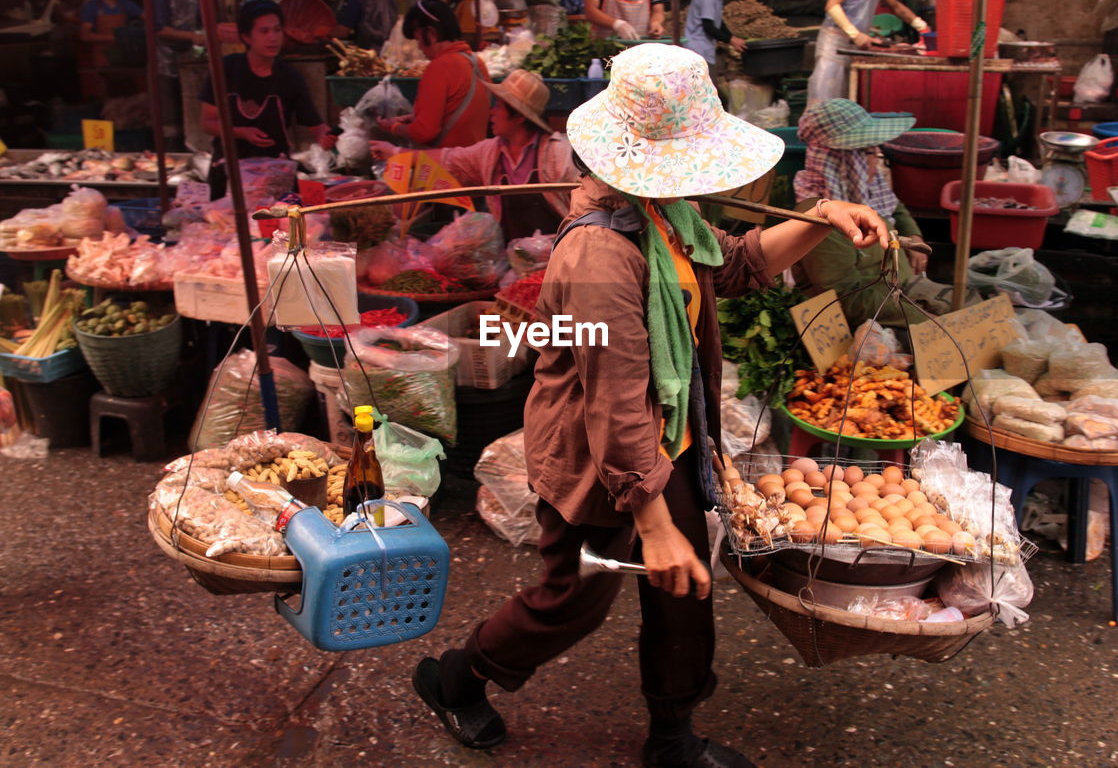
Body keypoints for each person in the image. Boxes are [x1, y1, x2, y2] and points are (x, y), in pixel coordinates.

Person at [410, 44, 889, 767]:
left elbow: (734, 263)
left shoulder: (667, 218)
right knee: (571, 600)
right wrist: (652, 518)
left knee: (682, 595)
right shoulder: (600, 258)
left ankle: (672, 739)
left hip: (665, 440)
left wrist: (819, 216)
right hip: (599, 457)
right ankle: (457, 676)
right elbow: (616, 401)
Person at [371, 69, 572, 241]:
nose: (492, 112)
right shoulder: (491, 152)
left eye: (499, 106)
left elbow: (586, 210)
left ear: (519, 116)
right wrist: (395, 153)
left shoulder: (558, 155)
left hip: (559, 260)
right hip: (514, 257)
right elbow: (449, 159)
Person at [790, 99, 929, 328]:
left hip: (903, 294)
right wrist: (920, 314)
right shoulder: (819, 218)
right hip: (875, 323)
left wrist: (914, 237)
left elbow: (895, 208)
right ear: (847, 161)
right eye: (870, 152)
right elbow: (847, 299)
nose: (877, 160)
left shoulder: (865, 188)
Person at [199, 0, 335, 200]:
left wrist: (326, 136)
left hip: (275, 173)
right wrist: (241, 132)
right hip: (229, 173)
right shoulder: (226, 69)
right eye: (264, 31)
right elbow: (207, 123)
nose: (273, 38)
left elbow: (316, 126)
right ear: (247, 37)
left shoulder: (290, 77)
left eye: (277, 30)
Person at [807, 0, 931, 106]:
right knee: (822, 98)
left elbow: (897, 7)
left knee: (845, 101)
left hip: (856, 49)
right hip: (834, 43)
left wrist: (922, 26)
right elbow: (832, 6)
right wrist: (855, 34)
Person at [375, 0, 490, 149]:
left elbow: (425, 133)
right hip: (476, 159)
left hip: (446, 166)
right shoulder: (477, 63)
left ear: (431, 33)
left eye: (418, 39)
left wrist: (393, 127)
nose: (420, 48)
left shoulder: (440, 67)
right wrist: (414, 118)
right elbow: (461, 114)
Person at [154, 0, 204, 149]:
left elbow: (200, 21)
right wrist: (192, 36)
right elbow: (159, 29)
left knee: (190, 104)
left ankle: (192, 144)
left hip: (189, 57)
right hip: (165, 58)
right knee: (170, 109)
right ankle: (171, 148)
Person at [77, 0, 142, 98]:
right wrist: (115, 37)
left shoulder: (126, 4)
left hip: (125, 60)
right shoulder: (91, 7)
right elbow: (85, 35)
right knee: (108, 96)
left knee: (130, 95)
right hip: (103, 60)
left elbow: (149, 20)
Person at [681, 0, 746, 71]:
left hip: (704, 48)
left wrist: (732, 37)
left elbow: (717, 20)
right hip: (698, 48)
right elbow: (708, 26)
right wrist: (730, 40)